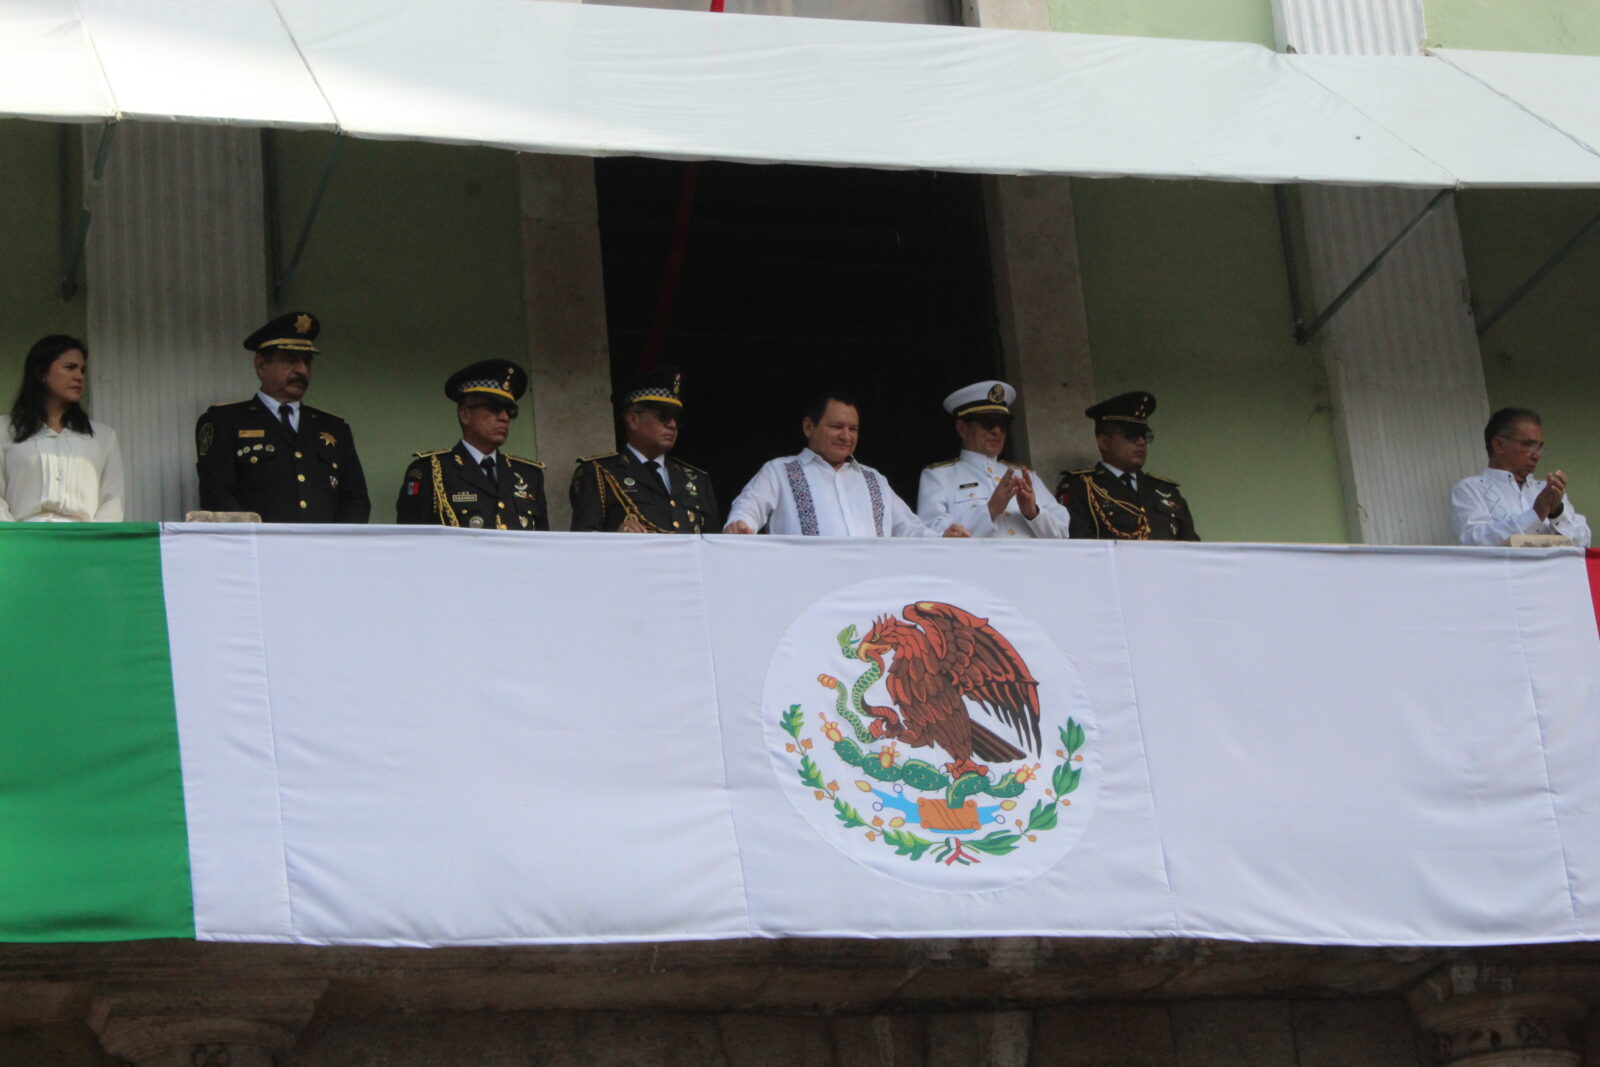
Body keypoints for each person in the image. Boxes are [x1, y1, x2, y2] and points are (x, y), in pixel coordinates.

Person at [195, 312, 370, 522]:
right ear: (261, 366)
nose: (302, 370)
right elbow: (217, 494)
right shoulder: (225, 421)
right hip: (259, 549)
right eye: (290, 361)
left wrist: (335, 544)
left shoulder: (334, 427)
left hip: (324, 550)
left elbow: (356, 499)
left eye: (307, 362)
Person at [724, 392, 968, 538]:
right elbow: (749, 507)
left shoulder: (873, 479)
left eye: (853, 429)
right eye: (836, 427)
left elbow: (909, 529)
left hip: (870, 592)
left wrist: (941, 537)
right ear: (809, 427)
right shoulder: (779, 471)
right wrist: (741, 526)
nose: (846, 436)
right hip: (806, 591)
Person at [396, 359, 548, 530]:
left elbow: (541, 546)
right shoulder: (431, 471)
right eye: (495, 408)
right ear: (465, 414)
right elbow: (411, 542)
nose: (505, 418)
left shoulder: (529, 475)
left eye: (510, 411)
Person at [569, 367, 718, 533]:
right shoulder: (599, 473)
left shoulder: (696, 479)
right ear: (633, 420)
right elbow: (584, 542)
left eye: (677, 418)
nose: (672, 425)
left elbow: (713, 544)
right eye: (663, 416)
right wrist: (616, 536)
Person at [917, 380, 1070, 539]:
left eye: (1002, 424)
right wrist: (989, 510)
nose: (996, 431)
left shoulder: (1024, 475)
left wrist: (1033, 513)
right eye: (987, 423)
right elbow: (932, 534)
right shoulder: (938, 476)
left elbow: (1062, 534)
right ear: (962, 428)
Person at [0, 335, 124, 522]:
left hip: (83, 543)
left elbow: (113, 502)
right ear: (42, 372)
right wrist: (15, 539)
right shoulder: (4, 430)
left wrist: (95, 544)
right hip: (21, 541)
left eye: (82, 370)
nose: (79, 377)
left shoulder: (103, 437)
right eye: (70, 368)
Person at [1057, 391, 1199, 541]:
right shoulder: (1080, 487)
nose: (1141, 442)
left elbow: (1191, 548)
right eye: (1131, 435)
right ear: (1104, 442)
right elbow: (1079, 548)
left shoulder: (1166, 491)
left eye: (1144, 436)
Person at [1450, 407, 1589, 547]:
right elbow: (1474, 541)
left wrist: (1557, 512)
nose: (1537, 455)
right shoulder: (1470, 489)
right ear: (1499, 445)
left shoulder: (1547, 491)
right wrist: (1535, 515)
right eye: (1528, 445)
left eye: (1540, 447)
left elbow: (1583, 543)